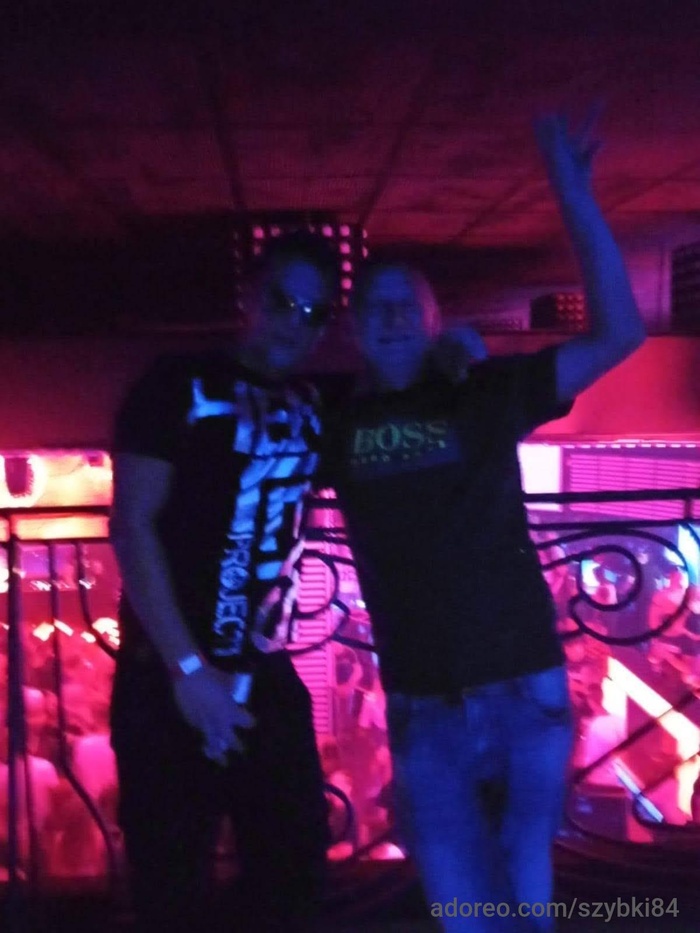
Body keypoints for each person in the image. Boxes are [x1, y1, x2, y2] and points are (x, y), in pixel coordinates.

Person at [320, 111, 646, 931]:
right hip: (425, 697)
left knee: (520, 896)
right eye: (377, 305)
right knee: (465, 906)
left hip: (520, 682)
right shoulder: (332, 419)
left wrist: (574, 195)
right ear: (354, 328)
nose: (394, 315)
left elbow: (621, 333)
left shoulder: (484, 392)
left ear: (434, 320)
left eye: (409, 304)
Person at [109, 231, 340, 933]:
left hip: (265, 674)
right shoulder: (175, 382)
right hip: (166, 677)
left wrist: (454, 348)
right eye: (282, 301)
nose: (294, 322)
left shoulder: (318, 400)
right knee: (170, 885)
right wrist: (188, 670)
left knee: (294, 873)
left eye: (313, 312)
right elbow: (133, 525)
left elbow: (406, 391)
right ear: (249, 297)